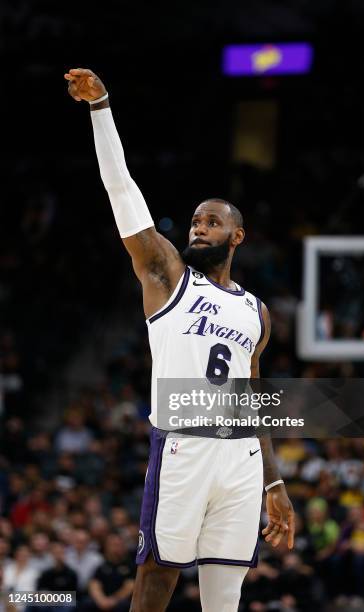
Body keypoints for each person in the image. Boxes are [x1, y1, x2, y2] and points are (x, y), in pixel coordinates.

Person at [64, 67, 295, 612]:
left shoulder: (256, 312)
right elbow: (122, 191)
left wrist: (273, 483)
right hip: (184, 446)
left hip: (238, 458)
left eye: (211, 222)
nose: (197, 227)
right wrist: (101, 110)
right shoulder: (168, 275)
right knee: (156, 580)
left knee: (225, 595)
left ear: (237, 237)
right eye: (194, 220)